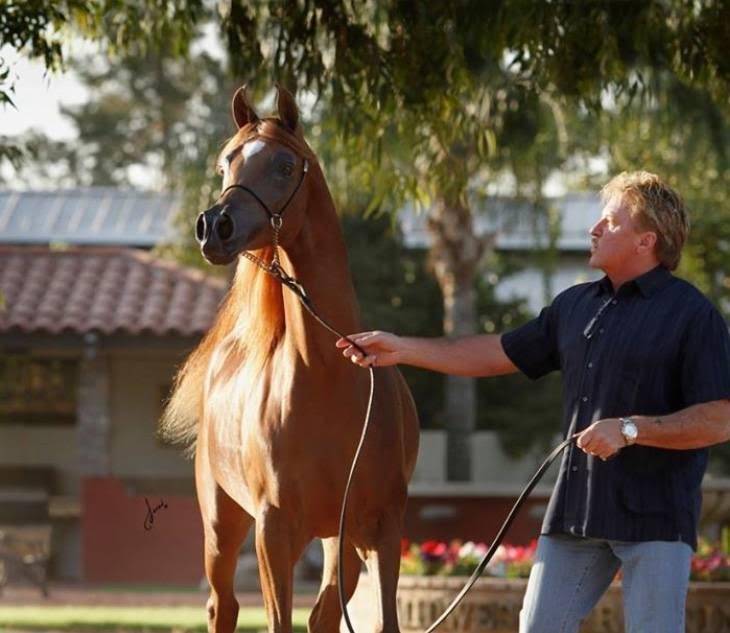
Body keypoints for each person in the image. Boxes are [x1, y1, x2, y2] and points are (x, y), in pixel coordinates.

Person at [336, 171, 730, 633]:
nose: (594, 229)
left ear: (647, 240)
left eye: (610, 221)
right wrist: (403, 349)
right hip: (576, 514)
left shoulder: (694, 315)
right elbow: (495, 352)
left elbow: (719, 419)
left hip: (656, 519)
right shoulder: (576, 305)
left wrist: (630, 429)